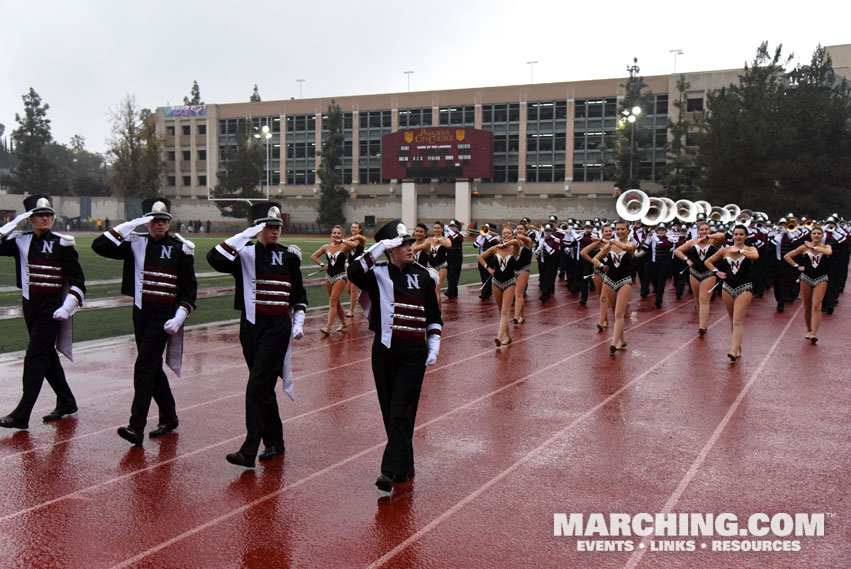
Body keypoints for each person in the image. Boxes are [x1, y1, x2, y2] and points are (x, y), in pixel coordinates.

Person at [207, 203, 307, 467]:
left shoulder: (289, 256)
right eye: (268, 226)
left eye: (277, 226)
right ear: (257, 228)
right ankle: (275, 441)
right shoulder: (243, 254)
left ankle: (249, 449)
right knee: (262, 387)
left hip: (277, 327)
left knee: (256, 386)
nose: (274, 231)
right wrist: (246, 235)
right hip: (250, 326)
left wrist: (298, 321)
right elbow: (214, 258)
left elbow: (298, 294)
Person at [346, 220, 442, 493]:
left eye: (411, 242)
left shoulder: (424, 276)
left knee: (400, 410)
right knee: (392, 412)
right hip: (385, 351)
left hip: (413, 353)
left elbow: (433, 317)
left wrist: (434, 345)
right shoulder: (377, 275)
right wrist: (377, 248)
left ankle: (388, 471)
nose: (411, 247)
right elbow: (353, 272)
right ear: (390, 249)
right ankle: (405, 463)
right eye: (404, 244)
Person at [92, 198, 197, 445]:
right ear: (147, 222)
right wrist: (131, 224)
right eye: (154, 220)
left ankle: (135, 426)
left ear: (169, 223)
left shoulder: (181, 248)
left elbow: (190, 287)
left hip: (164, 316)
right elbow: (100, 246)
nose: (159, 224)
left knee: (143, 367)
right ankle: (169, 417)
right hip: (141, 311)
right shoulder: (134, 243)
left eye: (163, 220)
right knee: (151, 367)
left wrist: (180, 315)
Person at [0, 196, 85, 430]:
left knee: (35, 357)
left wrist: (66, 308)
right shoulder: (20, 241)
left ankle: (22, 414)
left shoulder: (63, 243)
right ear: (31, 218)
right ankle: (67, 401)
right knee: (46, 356)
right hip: (30, 305)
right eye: (39, 215)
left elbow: (78, 282)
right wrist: (15, 221)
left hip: (53, 309)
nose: (46, 218)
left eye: (49, 214)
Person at [703, 224, 759, 363]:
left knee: (737, 320)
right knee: (732, 320)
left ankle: (733, 351)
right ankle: (737, 346)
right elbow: (708, 261)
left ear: (746, 236)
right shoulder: (725, 250)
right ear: (732, 236)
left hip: (744, 287)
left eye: (741, 234)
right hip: (727, 288)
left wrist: (740, 250)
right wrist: (717, 272)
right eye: (736, 234)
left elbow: (755, 256)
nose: (738, 237)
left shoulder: (750, 249)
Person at [477, 226, 529, 346]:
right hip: (496, 283)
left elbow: (516, 242)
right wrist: (488, 268)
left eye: (508, 233)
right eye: (504, 233)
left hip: (510, 283)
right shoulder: (495, 248)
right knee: (501, 312)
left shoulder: (514, 248)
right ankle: (508, 337)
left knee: (505, 312)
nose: (505, 235)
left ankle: (499, 337)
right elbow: (480, 257)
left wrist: (504, 244)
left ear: (512, 235)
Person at [593, 220, 637, 353]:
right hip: (610, 281)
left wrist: (610, 241)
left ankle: (614, 343)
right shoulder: (609, 246)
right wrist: (601, 265)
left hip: (625, 281)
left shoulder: (631, 245)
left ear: (628, 230)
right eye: (617, 229)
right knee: (613, 313)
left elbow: (627, 248)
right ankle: (622, 340)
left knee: (619, 313)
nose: (619, 232)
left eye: (622, 229)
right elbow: (595, 259)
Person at [674, 222, 727, 335]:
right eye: (702, 229)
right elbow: (677, 250)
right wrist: (686, 259)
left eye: (706, 229)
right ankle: (702, 322)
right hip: (694, 273)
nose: (704, 231)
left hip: (709, 273)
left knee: (704, 299)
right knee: (697, 300)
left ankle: (702, 326)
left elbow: (722, 236)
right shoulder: (693, 242)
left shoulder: (714, 242)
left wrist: (709, 236)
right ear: (698, 231)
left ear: (709, 230)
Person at [784, 226, 832, 344]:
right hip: (806, 278)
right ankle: (809, 329)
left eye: (819, 234)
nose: (816, 235)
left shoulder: (826, 247)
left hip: (821, 278)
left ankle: (814, 333)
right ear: (810, 235)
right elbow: (787, 256)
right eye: (814, 233)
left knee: (816, 305)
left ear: (822, 236)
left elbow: (829, 252)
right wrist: (797, 266)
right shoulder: (803, 247)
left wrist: (814, 247)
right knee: (807, 306)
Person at [310, 225, 358, 334]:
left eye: (339, 233)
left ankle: (328, 327)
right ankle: (344, 323)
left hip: (340, 277)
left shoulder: (344, 246)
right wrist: (322, 265)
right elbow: (313, 256)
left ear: (342, 235)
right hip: (328, 277)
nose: (336, 235)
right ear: (331, 234)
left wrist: (343, 240)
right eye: (334, 233)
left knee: (332, 302)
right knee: (336, 303)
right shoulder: (326, 247)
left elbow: (355, 245)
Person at [580, 223, 613, 332]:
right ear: (602, 233)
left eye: (610, 231)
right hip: (598, 273)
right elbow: (583, 252)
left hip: (610, 274)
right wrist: (594, 262)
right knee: (601, 297)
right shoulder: (598, 244)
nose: (608, 233)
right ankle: (606, 320)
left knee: (604, 297)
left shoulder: (615, 243)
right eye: (606, 231)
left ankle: (601, 321)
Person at [414, 221, 451, 310]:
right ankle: (440, 312)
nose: (436, 229)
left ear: (442, 229)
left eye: (438, 228)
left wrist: (439, 239)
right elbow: (419, 247)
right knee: (433, 290)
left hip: (442, 266)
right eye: (435, 228)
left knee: (436, 290)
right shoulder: (429, 240)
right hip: (430, 266)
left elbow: (448, 245)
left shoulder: (446, 239)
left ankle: (434, 313)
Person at [344, 222, 367, 317]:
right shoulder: (348, 239)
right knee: (348, 289)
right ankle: (363, 303)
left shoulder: (361, 239)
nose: (353, 229)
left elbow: (361, 239)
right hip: (350, 266)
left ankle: (351, 311)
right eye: (352, 227)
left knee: (353, 288)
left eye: (355, 227)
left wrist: (351, 239)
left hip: (358, 267)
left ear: (360, 229)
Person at [512, 222, 534, 323]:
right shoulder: (513, 241)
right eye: (518, 229)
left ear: (525, 231)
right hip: (514, 269)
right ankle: (522, 316)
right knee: (517, 294)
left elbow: (524, 240)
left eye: (521, 229)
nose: (519, 230)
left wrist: (514, 236)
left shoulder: (528, 240)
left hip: (524, 269)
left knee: (518, 293)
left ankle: (516, 317)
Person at [474, 224, 499, 300]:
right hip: (481, 259)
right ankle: (488, 292)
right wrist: (481, 237)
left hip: (490, 259)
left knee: (487, 275)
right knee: (482, 275)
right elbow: (475, 245)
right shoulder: (480, 237)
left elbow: (494, 242)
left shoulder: (495, 238)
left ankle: (484, 293)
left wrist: (487, 235)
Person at [444, 219, 464, 299]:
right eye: (450, 226)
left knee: (454, 274)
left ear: (457, 227)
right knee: (449, 275)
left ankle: (451, 291)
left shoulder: (460, 234)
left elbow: (457, 239)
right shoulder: (448, 234)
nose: (451, 228)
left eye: (453, 226)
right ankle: (453, 292)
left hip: (457, 257)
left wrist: (449, 230)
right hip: (448, 256)